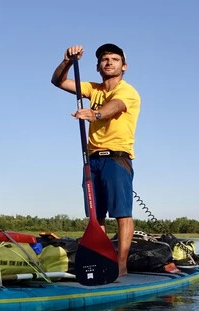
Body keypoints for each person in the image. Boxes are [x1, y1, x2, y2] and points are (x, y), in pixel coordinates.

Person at [51, 43, 141, 276]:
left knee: (122, 213)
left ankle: (121, 265)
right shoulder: (93, 89)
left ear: (124, 66)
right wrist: (67, 61)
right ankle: (103, 262)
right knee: (95, 214)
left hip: (117, 158)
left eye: (115, 59)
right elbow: (58, 81)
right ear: (98, 66)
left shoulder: (128, 91)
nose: (109, 62)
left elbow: (115, 107)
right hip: (91, 159)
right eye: (104, 59)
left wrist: (95, 114)